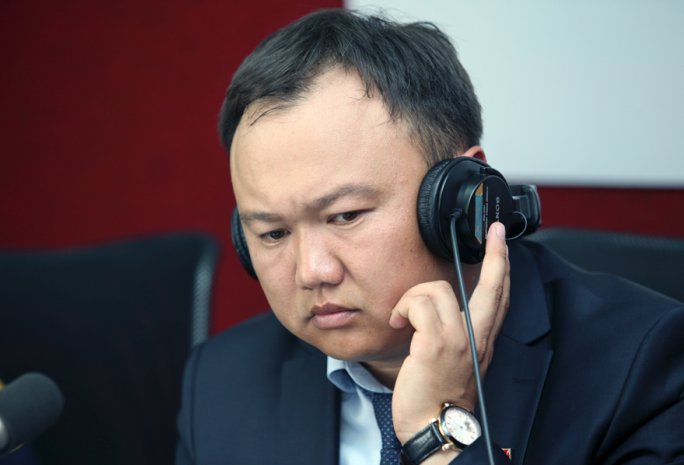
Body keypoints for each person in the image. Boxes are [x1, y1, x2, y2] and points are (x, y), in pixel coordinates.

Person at [175, 9, 684, 465]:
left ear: (463, 198)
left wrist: (436, 436)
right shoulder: (220, 384)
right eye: (273, 232)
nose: (312, 272)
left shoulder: (643, 368)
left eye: (346, 215)